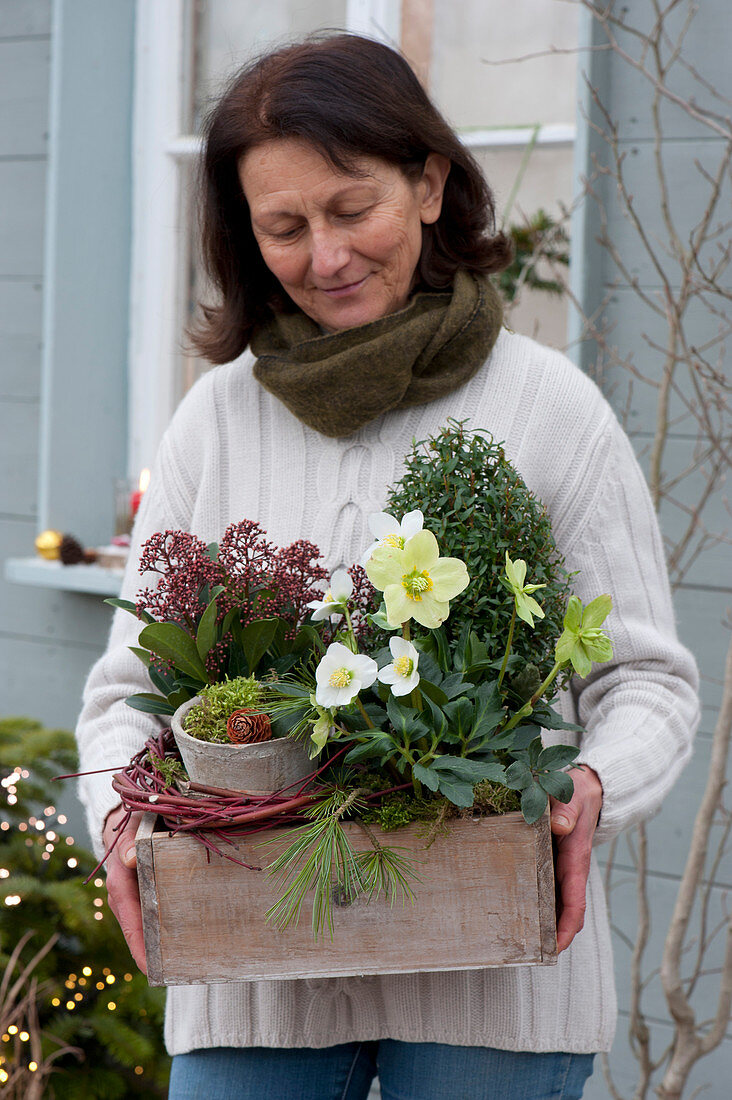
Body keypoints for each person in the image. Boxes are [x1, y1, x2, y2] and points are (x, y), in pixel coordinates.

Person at [76, 33, 699, 1100]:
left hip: (493, 986)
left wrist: (588, 784)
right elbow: (128, 692)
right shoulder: (214, 422)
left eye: (350, 208)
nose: (325, 256)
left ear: (429, 182)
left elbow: (646, 681)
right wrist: (124, 820)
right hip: (252, 983)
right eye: (284, 226)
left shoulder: (550, 411)